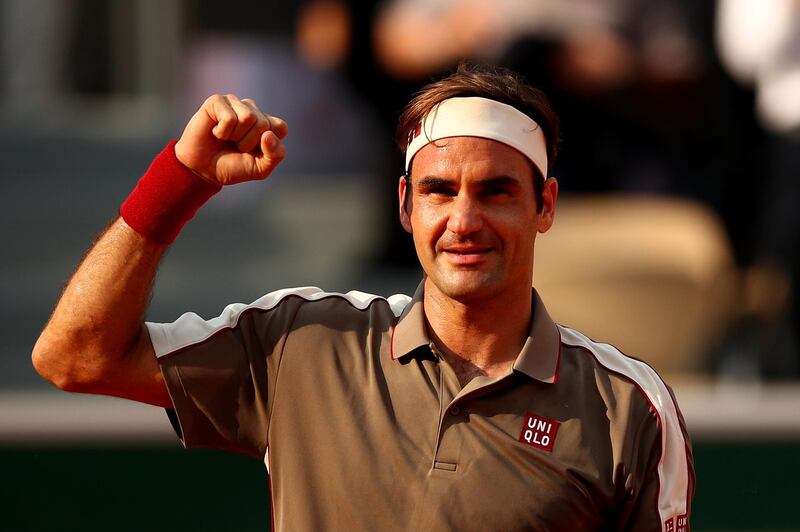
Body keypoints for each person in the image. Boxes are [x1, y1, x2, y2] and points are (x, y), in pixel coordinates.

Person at [32, 63, 694, 531]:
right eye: (439, 190)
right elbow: (74, 356)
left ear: (543, 206)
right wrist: (180, 181)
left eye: (496, 191)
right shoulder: (302, 340)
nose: (463, 221)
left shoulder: (628, 408)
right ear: (405, 205)